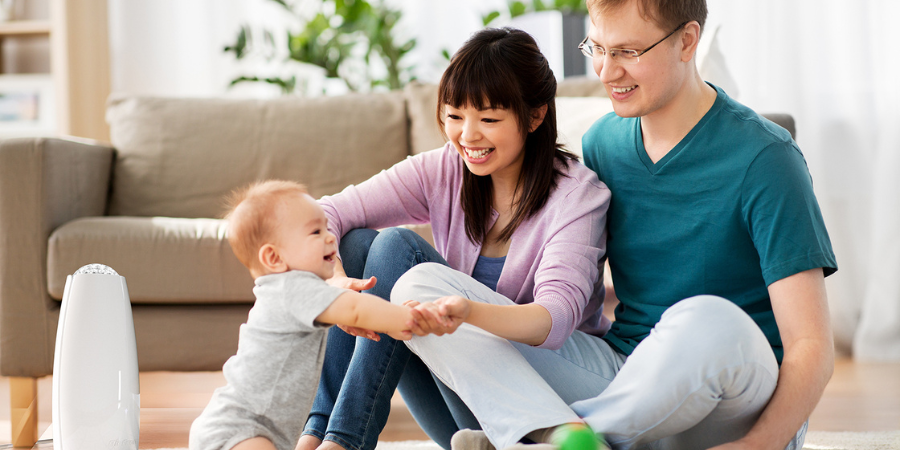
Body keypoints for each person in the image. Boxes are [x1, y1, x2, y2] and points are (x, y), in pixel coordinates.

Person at [393, 1, 837, 449]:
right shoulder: (604, 143)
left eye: (628, 52)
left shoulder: (766, 158)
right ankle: (559, 438)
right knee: (418, 288)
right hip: (623, 374)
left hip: (734, 403)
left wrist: (760, 444)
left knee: (708, 319)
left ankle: (553, 439)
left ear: (687, 41)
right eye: (598, 48)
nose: (606, 72)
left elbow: (812, 345)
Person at [297, 27, 612, 450]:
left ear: (535, 116)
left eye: (489, 119)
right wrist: (337, 284)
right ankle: (317, 434)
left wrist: (467, 312)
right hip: (468, 403)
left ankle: (343, 443)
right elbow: (327, 214)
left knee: (396, 250)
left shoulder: (577, 196)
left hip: (559, 391)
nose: (468, 135)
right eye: (455, 115)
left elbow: (551, 322)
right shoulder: (446, 169)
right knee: (355, 248)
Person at [189, 180, 425, 450]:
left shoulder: (282, 291)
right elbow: (355, 309)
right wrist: (404, 317)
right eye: (315, 231)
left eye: (326, 227)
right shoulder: (294, 287)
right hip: (243, 428)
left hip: (249, 427)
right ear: (274, 258)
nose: (330, 237)